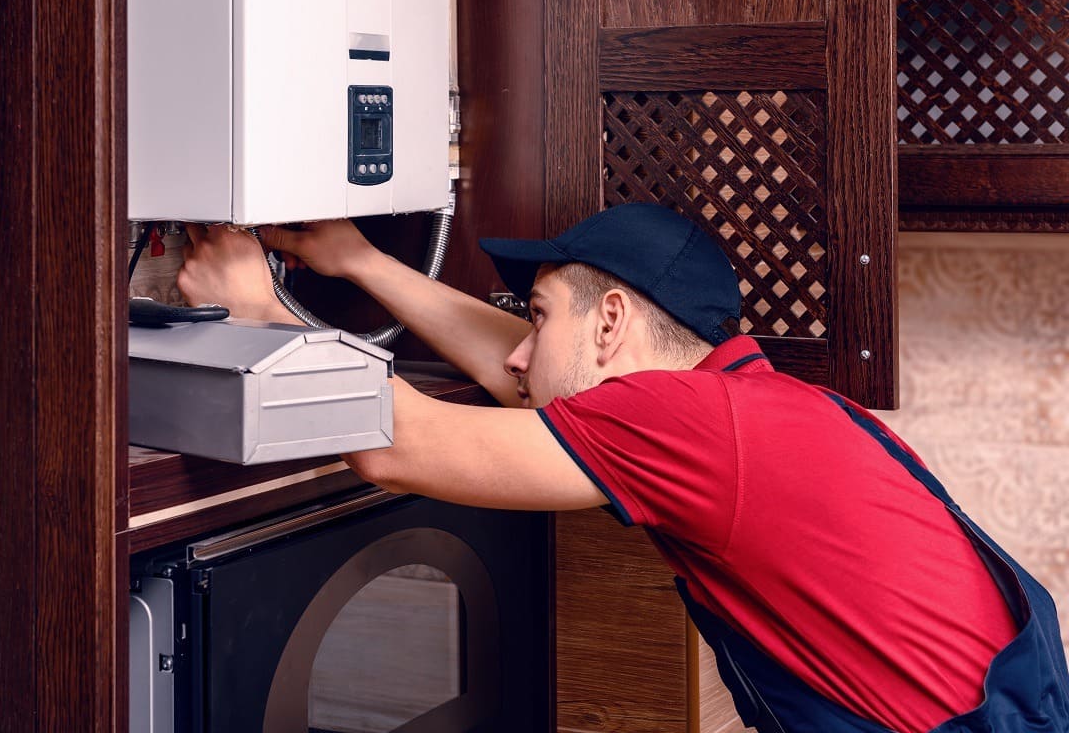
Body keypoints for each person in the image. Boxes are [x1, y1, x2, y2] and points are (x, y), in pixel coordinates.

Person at [176, 203, 1068, 733]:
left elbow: (395, 446)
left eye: (541, 314)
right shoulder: (749, 410)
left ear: (609, 325)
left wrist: (256, 310)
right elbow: (524, 372)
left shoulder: (684, 426)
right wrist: (358, 260)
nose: (520, 356)